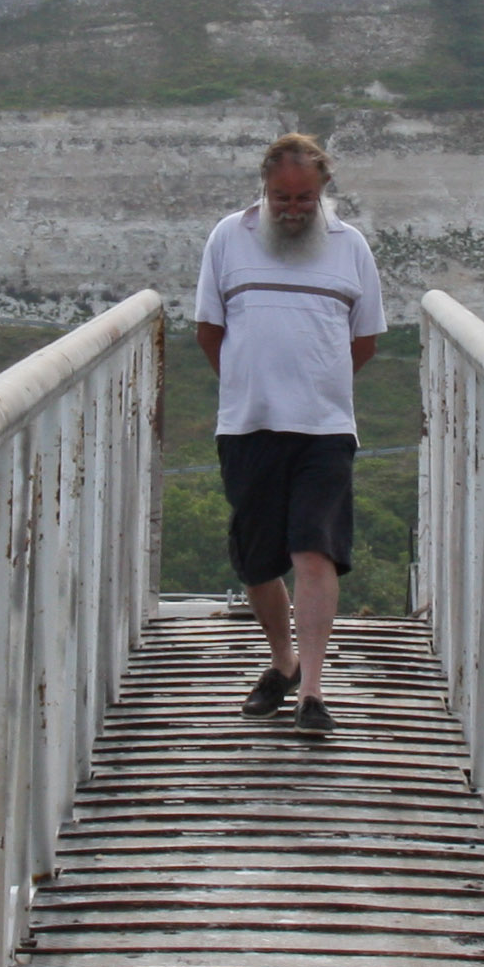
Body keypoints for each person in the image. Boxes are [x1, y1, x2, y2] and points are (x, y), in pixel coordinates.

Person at [194, 132, 385, 738]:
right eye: (283, 197)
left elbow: (364, 340)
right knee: (257, 561)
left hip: (324, 429)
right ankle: (283, 662)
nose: (294, 208)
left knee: (313, 549)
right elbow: (209, 330)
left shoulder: (351, 246)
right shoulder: (229, 237)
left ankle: (312, 692)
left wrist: (316, 387)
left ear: (323, 189)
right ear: (265, 188)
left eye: (305, 197)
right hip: (248, 426)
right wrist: (248, 384)